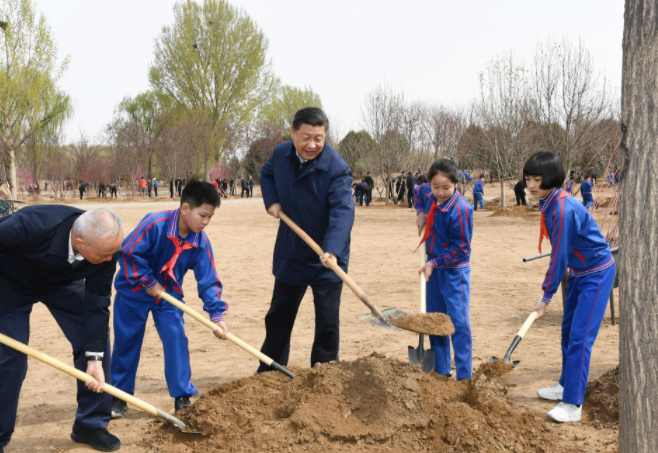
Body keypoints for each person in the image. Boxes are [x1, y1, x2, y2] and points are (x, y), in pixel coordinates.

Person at [0, 207, 124, 452]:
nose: (111, 259)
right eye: (105, 255)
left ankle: (90, 424)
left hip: (60, 283)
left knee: (96, 338)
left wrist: (95, 358)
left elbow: (98, 302)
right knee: (10, 356)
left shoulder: (106, 249)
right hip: (9, 282)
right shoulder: (30, 224)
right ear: (80, 242)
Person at [110, 181, 229, 417]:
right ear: (185, 209)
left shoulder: (200, 241)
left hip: (169, 296)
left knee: (176, 338)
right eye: (202, 215)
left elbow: (208, 278)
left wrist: (216, 314)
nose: (205, 222)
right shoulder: (155, 223)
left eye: (210, 217)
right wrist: (149, 282)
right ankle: (119, 396)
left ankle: (182, 396)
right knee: (127, 342)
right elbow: (128, 252)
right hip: (133, 292)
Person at [257, 107, 354, 373]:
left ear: (325, 136)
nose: (312, 145)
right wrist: (272, 200)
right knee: (278, 317)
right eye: (306, 137)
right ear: (293, 133)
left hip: (327, 258)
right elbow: (266, 175)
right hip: (292, 252)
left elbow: (342, 213)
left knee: (327, 322)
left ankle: (324, 373)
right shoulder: (280, 154)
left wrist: (332, 251)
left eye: (319, 138)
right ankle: (270, 370)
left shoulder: (337, 168)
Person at [523, 151, 615, 423]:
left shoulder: (562, 208)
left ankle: (573, 404)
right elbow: (563, 252)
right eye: (528, 179)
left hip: (596, 273)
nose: (531, 185)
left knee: (580, 337)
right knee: (567, 331)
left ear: (551, 178)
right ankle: (566, 384)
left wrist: (546, 297)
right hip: (578, 271)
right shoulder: (549, 202)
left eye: (537, 179)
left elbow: (560, 254)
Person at [413, 158, 473, 380]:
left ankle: (465, 377)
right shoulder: (427, 193)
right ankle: (441, 371)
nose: (439, 192)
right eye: (435, 186)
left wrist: (434, 263)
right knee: (435, 320)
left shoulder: (462, 209)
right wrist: (420, 211)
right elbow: (417, 190)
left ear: (456, 184)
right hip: (433, 269)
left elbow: (462, 248)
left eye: (446, 187)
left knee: (458, 324)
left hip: (454, 272)